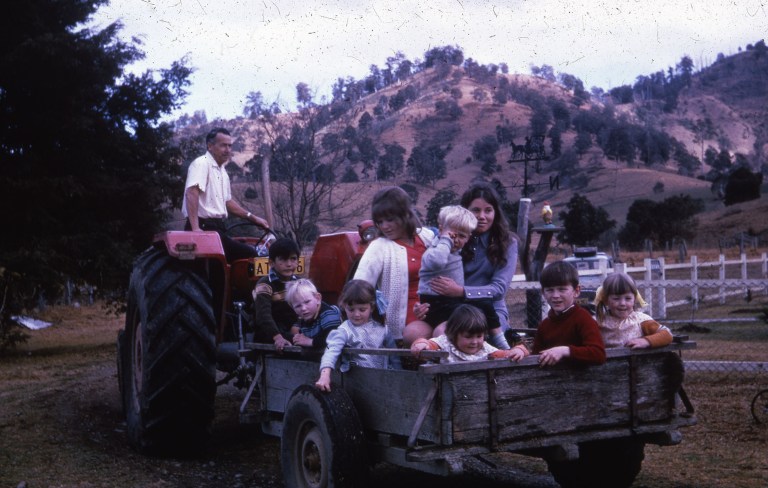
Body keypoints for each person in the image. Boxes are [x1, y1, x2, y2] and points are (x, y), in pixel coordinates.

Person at [424, 183, 517, 349]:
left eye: (488, 210)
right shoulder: (452, 239)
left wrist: (462, 291)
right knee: (420, 333)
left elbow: (499, 289)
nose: (482, 216)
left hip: (491, 310)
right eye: (475, 210)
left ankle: (503, 353)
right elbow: (431, 273)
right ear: (466, 212)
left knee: (475, 333)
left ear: (495, 212)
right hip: (453, 308)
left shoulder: (508, 243)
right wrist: (424, 304)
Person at [353, 186, 435, 344]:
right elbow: (359, 287)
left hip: (439, 310)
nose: (384, 226)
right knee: (416, 336)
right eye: (379, 222)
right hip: (407, 324)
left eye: (390, 219)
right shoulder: (378, 247)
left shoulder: (428, 237)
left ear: (405, 215)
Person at [182, 127, 270, 261]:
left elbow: (227, 202)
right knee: (251, 255)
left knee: (249, 252)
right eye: (223, 145)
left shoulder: (222, 172)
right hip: (203, 228)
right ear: (210, 146)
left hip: (218, 229)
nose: (228, 150)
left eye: (230, 146)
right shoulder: (201, 164)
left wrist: (253, 218)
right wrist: (195, 229)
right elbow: (191, 193)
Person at [417, 205, 501, 333]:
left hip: (451, 303)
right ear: (440, 230)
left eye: (461, 236)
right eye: (452, 235)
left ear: (468, 238)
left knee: (485, 305)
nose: (455, 240)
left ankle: (502, 342)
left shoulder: (456, 252)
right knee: (477, 310)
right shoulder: (434, 250)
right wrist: (445, 240)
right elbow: (438, 262)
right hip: (435, 305)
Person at [315, 280, 400, 392]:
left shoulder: (382, 329)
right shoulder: (344, 331)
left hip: (383, 382)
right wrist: (325, 374)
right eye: (351, 309)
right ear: (344, 307)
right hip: (358, 385)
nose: (356, 314)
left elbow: (394, 357)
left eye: (362, 309)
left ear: (372, 308)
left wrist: (399, 378)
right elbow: (332, 350)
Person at [532, 261, 606, 366]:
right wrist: (522, 350)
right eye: (550, 290)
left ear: (576, 291)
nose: (555, 295)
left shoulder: (583, 319)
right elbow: (535, 356)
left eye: (562, 289)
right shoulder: (544, 325)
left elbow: (598, 354)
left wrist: (565, 351)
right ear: (543, 292)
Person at [410, 304, 529, 363]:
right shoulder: (445, 342)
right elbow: (429, 344)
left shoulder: (484, 348)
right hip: (444, 387)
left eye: (479, 336)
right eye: (468, 337)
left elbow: (504, 354)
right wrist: (420, 344)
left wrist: (519, 350)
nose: (475, 341)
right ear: (454, 334)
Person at [594, 272, 673, 349]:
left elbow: (667, 335)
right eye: (616, 298)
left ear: (634, 299)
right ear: (606, 300)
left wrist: (646, 341)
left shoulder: (641, 320)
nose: (622, 303)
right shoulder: (598, 321)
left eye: (628, 298)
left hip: (637, 361)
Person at [252, 237, 301, 351]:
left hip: (293, 329)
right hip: (270, 332)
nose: (289, 264)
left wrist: (297, 326)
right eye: (282, 260)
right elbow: (263, 316)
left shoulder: (299, 283)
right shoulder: (265, 284)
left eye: (293, 259)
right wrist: (277, 337)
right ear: (271, 263)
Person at [286, 278, 341, 349]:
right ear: (293, 308)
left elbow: (335, 339)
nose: (303, 308)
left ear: (318, 298)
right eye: (298, 306)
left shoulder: (328, 314)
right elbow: (299, 335)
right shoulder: (304, 318)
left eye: (307, 302)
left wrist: (310, 342)